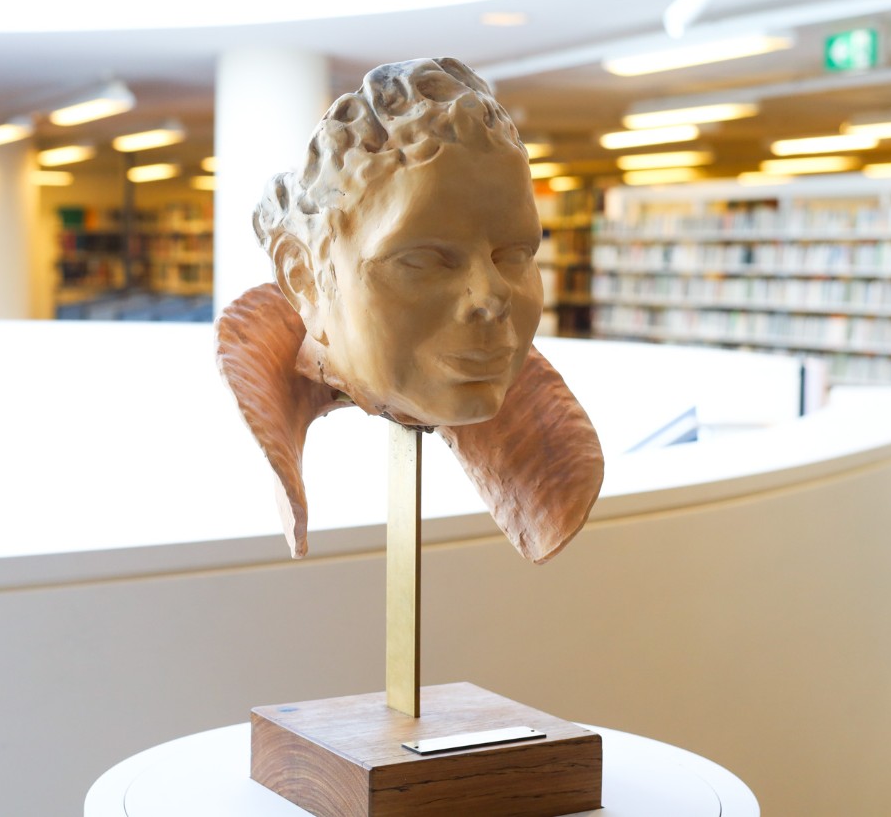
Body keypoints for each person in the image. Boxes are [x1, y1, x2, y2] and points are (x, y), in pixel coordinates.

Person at [214, 58, 603, 562]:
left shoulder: (513, 400)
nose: (489, 298)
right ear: (305, 277)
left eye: (514, 255)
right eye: (423, 260)